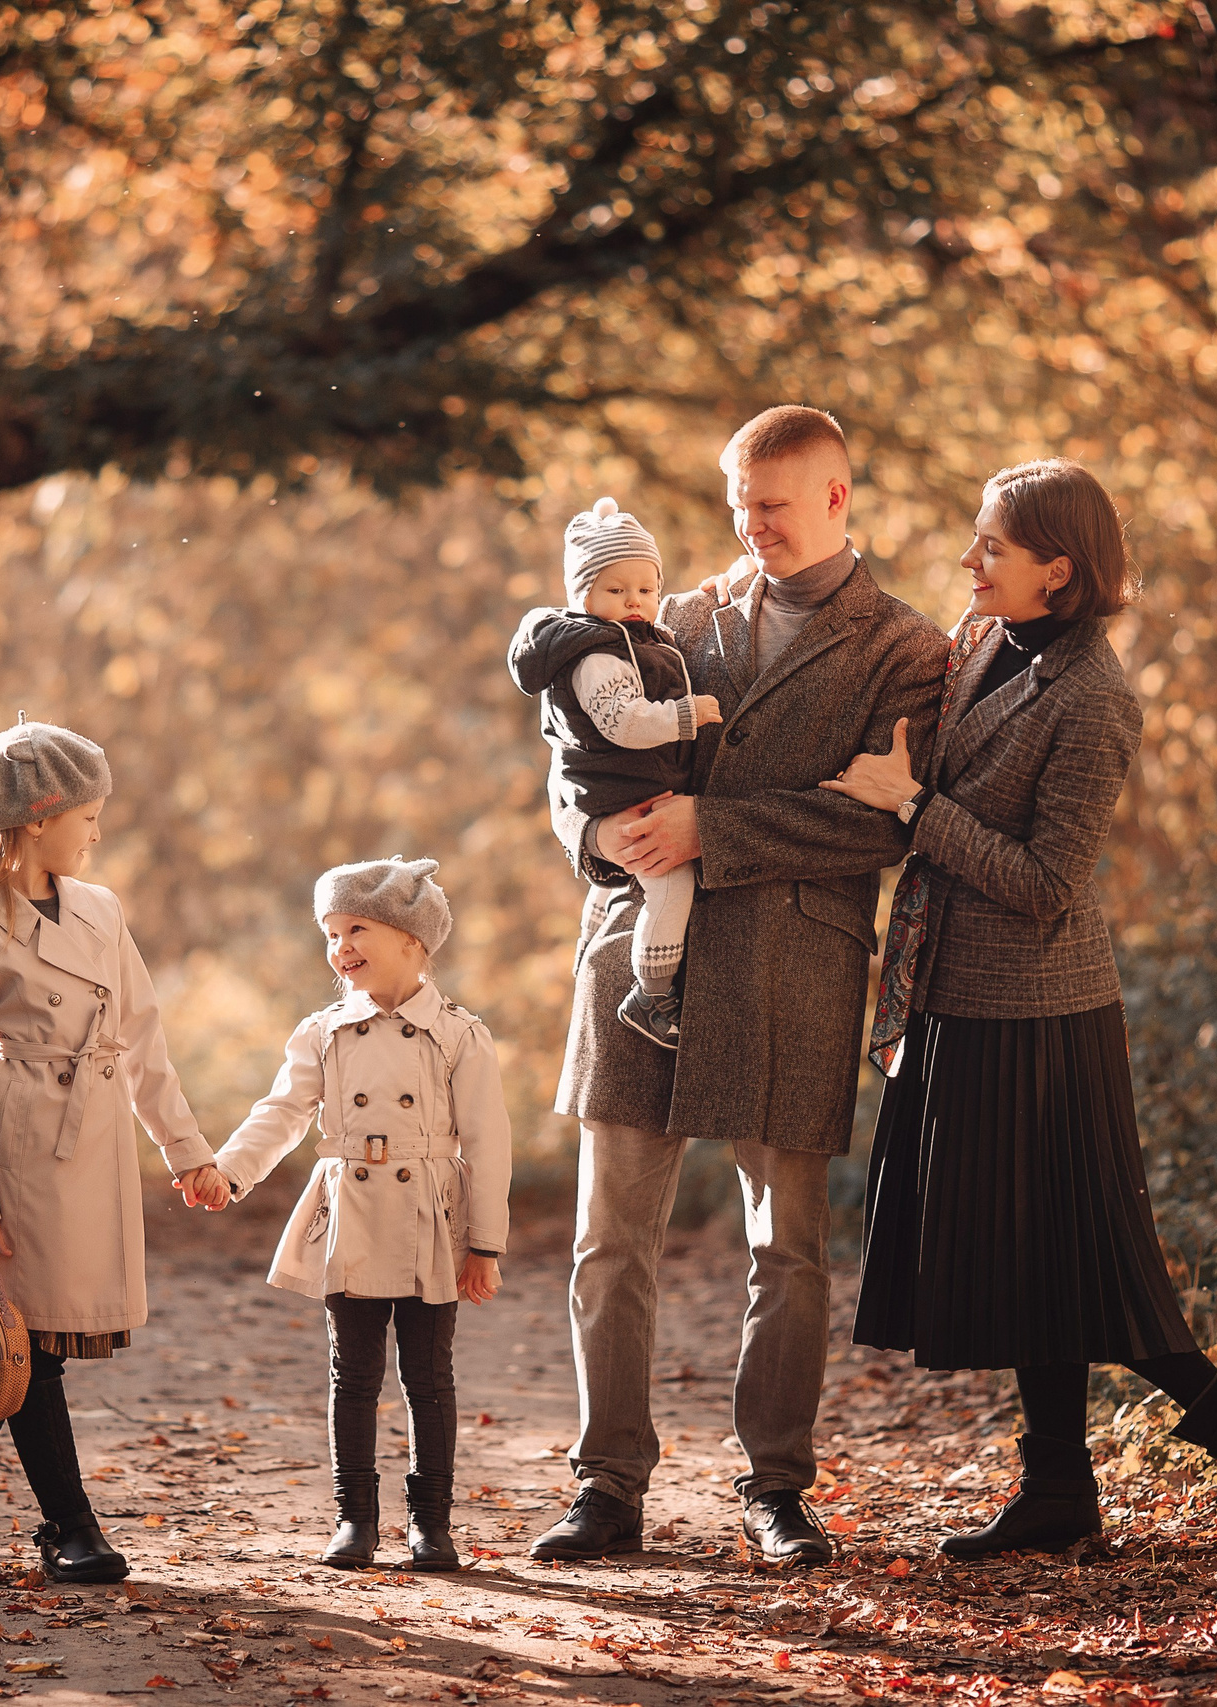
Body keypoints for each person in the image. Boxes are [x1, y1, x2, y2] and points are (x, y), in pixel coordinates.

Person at [822, 459, 1217, 1556]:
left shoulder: (1097, 702)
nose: (968, 561)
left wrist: (911, 807)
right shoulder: (985, 639)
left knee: (1072, 1253)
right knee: (1036, 1258)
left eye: (990, 546)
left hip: (1039, 1011)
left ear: (1061, 568)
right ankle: (1064, 1489)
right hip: (959, 989)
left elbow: (1049, 884)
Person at [531, 405, 951, 1567]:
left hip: (791, 961)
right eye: (736, 503)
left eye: (771, 504)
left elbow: (875, 826)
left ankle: (776, 1490)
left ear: (835, 498)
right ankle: (605, 1486)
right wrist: (597, 838)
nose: (749, 525)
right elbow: (575, 759)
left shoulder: (906, 651)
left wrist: (714, 826)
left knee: (789, 1248)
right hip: (635, 952)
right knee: (607, 1241)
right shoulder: (669, 613)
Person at [0, 716, 230, 1582]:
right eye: (88, 815)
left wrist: (186, 1149)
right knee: (28, 1341)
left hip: (92, 1145)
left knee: (24, 1342)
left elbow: (142, 1035)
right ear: (39, 820)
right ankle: (70, 1528)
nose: (98, 830)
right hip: (16, 1155)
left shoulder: (99, 908)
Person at [209, 857, 511, 1572]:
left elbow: (490, 1144)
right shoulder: (325, 1032)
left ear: (413, 939)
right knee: (354, 1373)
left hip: (430, 1220)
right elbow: (281, 1112)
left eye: (356, 928)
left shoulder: (460, 1035)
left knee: (429, 1375)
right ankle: (355, 1518)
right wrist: (228, 1170)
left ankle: (432, 1524)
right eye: (330, 932)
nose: (339, 947)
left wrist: (485, 1244)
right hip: (351, 1214)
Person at [507, 496, 724, 1049]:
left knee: (650, 885)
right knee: (671, 890)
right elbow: (623, 723)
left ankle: (630, 970)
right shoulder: (597, 655)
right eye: (615, 590)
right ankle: (651, 996)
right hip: (620, 794)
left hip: (635, 790)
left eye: (646, 589)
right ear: (582, 593)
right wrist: (686, 715)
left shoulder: (637, 640)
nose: (635, 601)